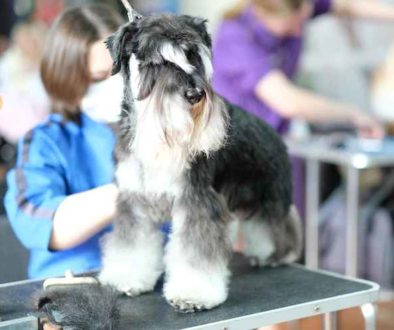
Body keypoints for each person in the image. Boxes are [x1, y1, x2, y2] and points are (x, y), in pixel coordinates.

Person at [4, 4, 125, 279]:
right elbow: (36, 221)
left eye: (121, 72)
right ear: (68, 80)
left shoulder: (156, 130)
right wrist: (133, 189)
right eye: (99, 78)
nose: (116, 85)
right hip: (73, 286)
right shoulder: (45, 141)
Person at [213, 0, 394, 138]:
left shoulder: (297, 5)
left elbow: (345, 5)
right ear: (265, 14)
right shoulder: (236, 37)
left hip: (275, 136)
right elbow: (287, 100)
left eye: (304, 21)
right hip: (236, 143)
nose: (299, 32)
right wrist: (354, 114)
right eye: (293, 24)